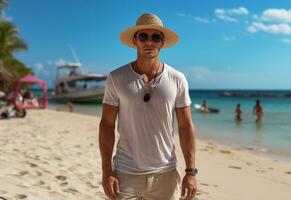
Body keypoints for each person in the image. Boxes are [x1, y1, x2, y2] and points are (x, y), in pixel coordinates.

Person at [99, 13, 197, 200]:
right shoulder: (117, 78)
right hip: (125, 174)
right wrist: (107, 172)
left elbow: (185, 126)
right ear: (135, 40)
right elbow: (107, 125)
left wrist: (190, 172)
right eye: (144, 36)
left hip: (165, 174)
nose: (149, 42)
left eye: (155, 37)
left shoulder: (177, 79)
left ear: (162, 42)